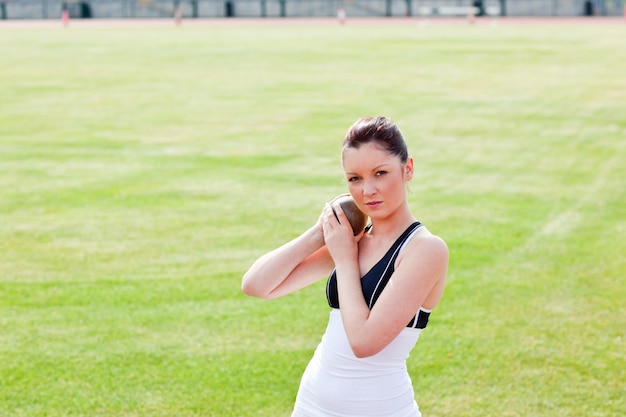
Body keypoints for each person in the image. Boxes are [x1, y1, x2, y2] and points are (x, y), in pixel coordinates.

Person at [242, 116, 449, 417]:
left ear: (408, 169)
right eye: (354, 178)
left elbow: (364, 342)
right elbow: (256, 286)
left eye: (380, 173)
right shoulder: (351, 242)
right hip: (311, 405)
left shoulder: (425, 250)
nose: (368, 190)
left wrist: (343, 258)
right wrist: (317, 233)